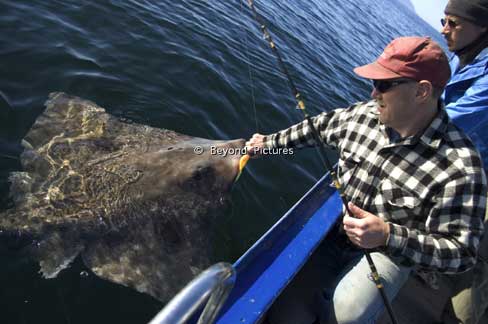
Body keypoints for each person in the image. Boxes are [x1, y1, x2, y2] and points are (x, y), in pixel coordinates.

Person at [246, 36, 487, 324]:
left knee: (347, 313)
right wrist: (269, 144)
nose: (373, 94)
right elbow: (314, 130)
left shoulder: (462, 167)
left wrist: (388, 234)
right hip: (335, 237)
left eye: (384, 85)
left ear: (422, 92)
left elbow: (461, 253)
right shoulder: (361, 116)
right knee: (286, 316)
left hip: (390, 253)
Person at [440, 1, 488, 323]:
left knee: (474, 270)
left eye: (454, 23)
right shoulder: (472, 56)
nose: (444, 29)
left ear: (482, 28)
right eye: (444, 20)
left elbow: (451, 120)